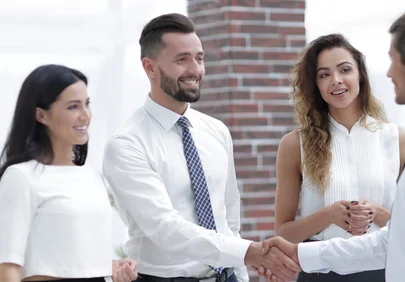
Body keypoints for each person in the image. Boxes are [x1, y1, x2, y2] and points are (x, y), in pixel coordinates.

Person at [258, 7, 405, 282]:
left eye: (392, 60)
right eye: (324, 74)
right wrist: (303, 254)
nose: (389, 73)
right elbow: (393, 241)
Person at [101, 13, 300, 282]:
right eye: (182, 59)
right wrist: (248, 252)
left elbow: (229, 219)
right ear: (150, 67)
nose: (195, 70)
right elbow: (164, 227)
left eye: (200, 58)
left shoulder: (216, 131)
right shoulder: (127, 144)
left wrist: (240, 271)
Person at [273, 33, 405, 282]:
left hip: (386, 271)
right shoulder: (294, 144)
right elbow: (283, 234)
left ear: (361, 75)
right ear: (315, 84)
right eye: (324, 74)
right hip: (321, 274)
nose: (336, 81)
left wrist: (377, 213)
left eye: (344, 70)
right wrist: (329, 215)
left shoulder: (398, 139)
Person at [0, 64, 138, 282]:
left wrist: (110, 266)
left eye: (87, 104)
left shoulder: (93, 177)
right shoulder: (21, 177)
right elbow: (7, 267)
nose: (85, 116)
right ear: (41, 115)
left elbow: (72, 259)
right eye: (73, 107)